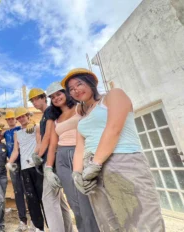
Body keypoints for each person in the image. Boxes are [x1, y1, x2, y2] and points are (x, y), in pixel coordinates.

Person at [62, 68, 165, 231]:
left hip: (122, 162)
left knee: (142, 221)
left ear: (91, 83)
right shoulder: (83, 114)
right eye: (71, 89)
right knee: (109, 224)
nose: (75, 90)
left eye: (79, 84)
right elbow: (80, 147)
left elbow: (114, 128)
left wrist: (96, 164)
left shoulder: (114, 95)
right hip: (91, 170)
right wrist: (76, 173)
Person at [45, 81, 99, 232]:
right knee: (73, 202)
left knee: (86, 200)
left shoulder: (80, 108)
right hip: (62, 159)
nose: (56, 98)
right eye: (53, 97)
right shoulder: (56, 119)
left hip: (81, 153)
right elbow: (52, 145)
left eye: (59, 94)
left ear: (66, 93)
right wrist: (48, 168)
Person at [28, 88, 73, 232]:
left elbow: (48, 136)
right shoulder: (44, 116)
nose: (35, 102)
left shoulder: (49, 112)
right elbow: (41, 140)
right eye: (32, 100)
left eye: (37, 98)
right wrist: (36, 154)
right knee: (60, 201)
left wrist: (39, 156)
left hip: (51, 160)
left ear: (43, 98)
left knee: (48, 200)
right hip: (52, 158)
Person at [6, 107, 45, 232]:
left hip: (36, 166)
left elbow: (40, 143)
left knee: (43, 197)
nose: (21, 119)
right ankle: (38, 226)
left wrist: (35, 156)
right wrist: (9, 163)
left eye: (23, 116)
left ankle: (50, 224)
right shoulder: (17, 133)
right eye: (19, 117)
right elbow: (16, 151)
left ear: (28, 116)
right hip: (25, 169)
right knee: (31, 198)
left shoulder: (36, 127)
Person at [3, 110, 28, 232]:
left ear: (16, 119)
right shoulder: (6, 133)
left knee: (29, 190)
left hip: (24, 162)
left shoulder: (20, 129)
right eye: (8, 119)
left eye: (12, 118)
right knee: (18, 191)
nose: (11, 120)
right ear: (7, 120)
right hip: (13, 164)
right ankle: (22, 220)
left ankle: (34, 219)